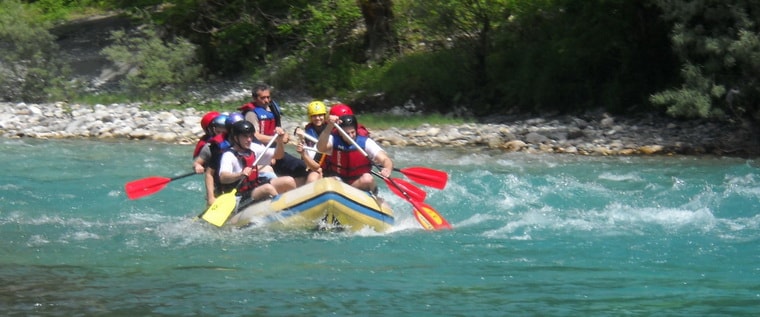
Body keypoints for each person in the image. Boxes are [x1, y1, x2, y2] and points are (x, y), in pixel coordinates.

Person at [238, 83, 311, 186]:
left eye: (268, 97)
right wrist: (277, 140)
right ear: (255, 98)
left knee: (302, 167)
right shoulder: (251, 114)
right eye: (262, 98)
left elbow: (278, 128)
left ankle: (295, 190)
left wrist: (284, 135)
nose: (266, 100)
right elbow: (255, 136)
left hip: (276, 151)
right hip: (261, 153)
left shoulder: (273, 109)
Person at [218, 120, 296, 203]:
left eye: (251, 136)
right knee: (267, 188)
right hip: (239, 195)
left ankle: (297, 204)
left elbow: (278, 155)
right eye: (245, 136)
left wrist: (279, 141)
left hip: (255, 186)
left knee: (289, 181)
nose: (249, 139)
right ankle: (284, 210)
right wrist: (240, 174)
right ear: (235, 138)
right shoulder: (229, 155)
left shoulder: (253, 148)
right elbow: (223, 178)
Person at [316, 114, 393, 194]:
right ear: (340, 132)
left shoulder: (366, 143)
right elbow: (320, 148)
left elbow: (385, 159)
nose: (350, 136)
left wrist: (387, 169)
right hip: (339, 182)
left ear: (356, 130)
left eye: (352, 132)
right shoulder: (334, 140)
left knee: (367, 178)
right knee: (329, 180)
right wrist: (329, 126)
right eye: (347, 133)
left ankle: (375, 195)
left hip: (359, 184)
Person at [294, 101, 328, 183]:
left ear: (324, 116)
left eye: (320, 115)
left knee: (313, 176)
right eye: (314, 116)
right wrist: (301, 137)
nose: (317, 118)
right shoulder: (308, 130)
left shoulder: (329, 129)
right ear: (310, 117)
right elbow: (304, 148)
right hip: (312, 163)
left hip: (324, 164)